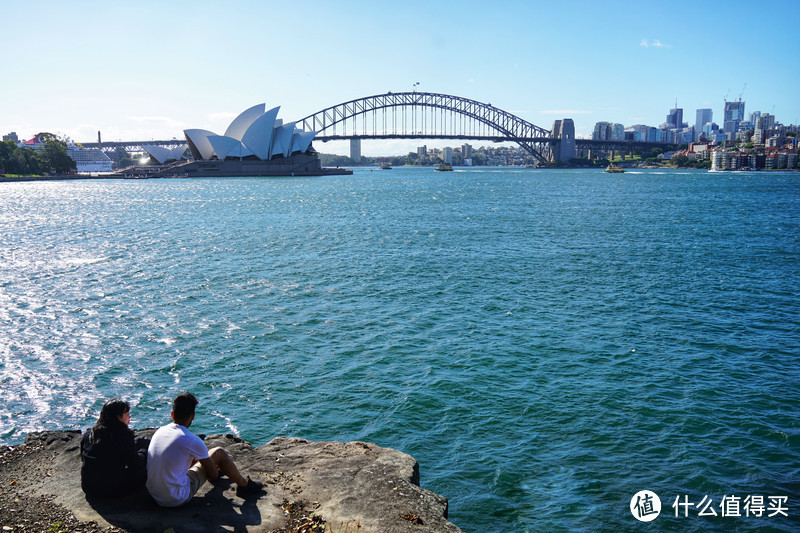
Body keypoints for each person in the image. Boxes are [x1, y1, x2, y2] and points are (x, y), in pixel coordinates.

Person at [146, 392, 262, 507]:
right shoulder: (192, 440)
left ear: (172, 414)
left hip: (154, 494)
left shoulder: (160, 431)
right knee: (219, 452)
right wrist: (209, 469)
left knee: (196, 459)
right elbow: (213, 474)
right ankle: (244, 485)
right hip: (175, 498)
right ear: (192, 416)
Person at [80, 398, 148, 497]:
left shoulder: (90, 433)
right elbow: (135, 464)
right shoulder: (123, 435)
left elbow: (83, 457)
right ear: (118, 416)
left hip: (88, 487)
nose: (130, 416)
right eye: (127, 413)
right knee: (146, 468)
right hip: (111, 490)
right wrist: (144, 451)